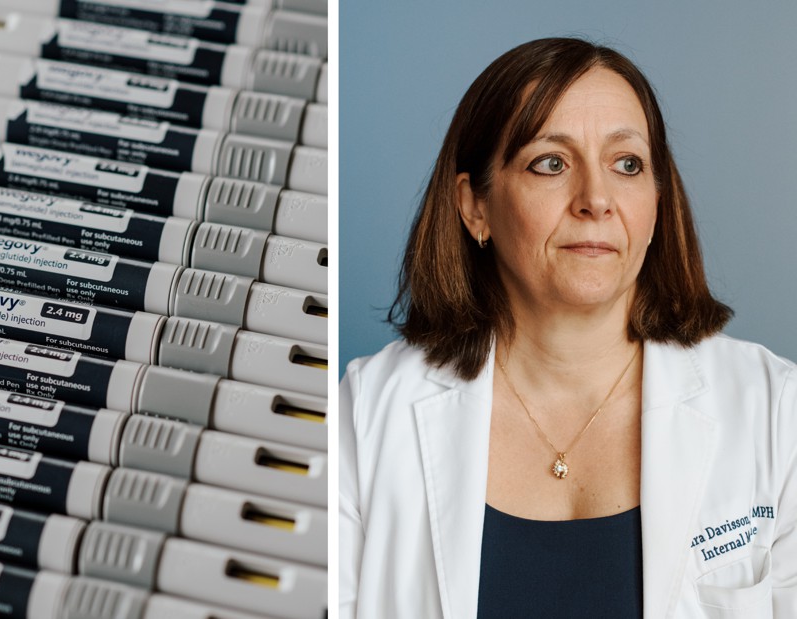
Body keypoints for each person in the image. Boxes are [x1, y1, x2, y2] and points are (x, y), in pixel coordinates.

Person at [339, 37, 797, 618]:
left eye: (626, 164)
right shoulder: (365, 415)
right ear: (474, 206)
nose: (597, 199)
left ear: (657, 203)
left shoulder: (778, 412)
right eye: (550, 163)